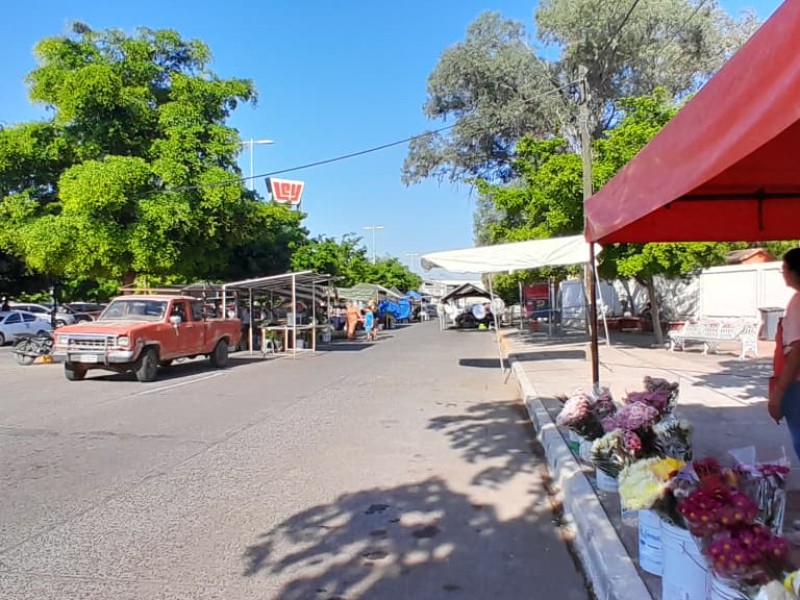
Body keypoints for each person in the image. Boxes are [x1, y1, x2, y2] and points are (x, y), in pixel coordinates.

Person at [769, 248, 800, 460]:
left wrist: (779, 393)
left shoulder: (798, 303)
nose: (783, 274)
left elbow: (798, 351)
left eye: (784, 269)